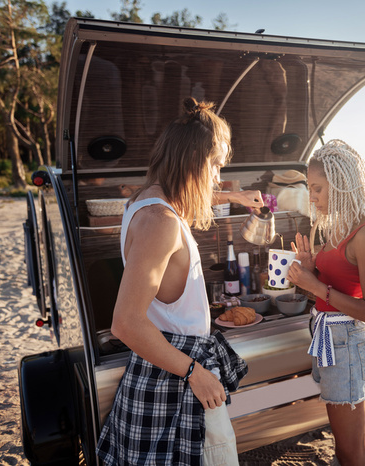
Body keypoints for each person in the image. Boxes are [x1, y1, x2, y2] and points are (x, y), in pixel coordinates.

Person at [96, 97, 264, 465]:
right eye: (216, 166)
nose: (218, 176)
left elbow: (188, 198)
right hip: (178, 375)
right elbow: (125, 322)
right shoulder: (162, 223)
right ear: (193, 161)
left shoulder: (144, 200)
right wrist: (195, 373)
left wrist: (232, 195)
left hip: (162, 369)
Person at [288, 139, 365, 466]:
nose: (311, 197)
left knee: (348, 450)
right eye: (308, 188)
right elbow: (333, 285)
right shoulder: (339, 227)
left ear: (340, 185)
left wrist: (316, 285)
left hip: (348, 342)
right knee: (357, 443)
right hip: (333, 339)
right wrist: (311, 269)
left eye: (317, 188)